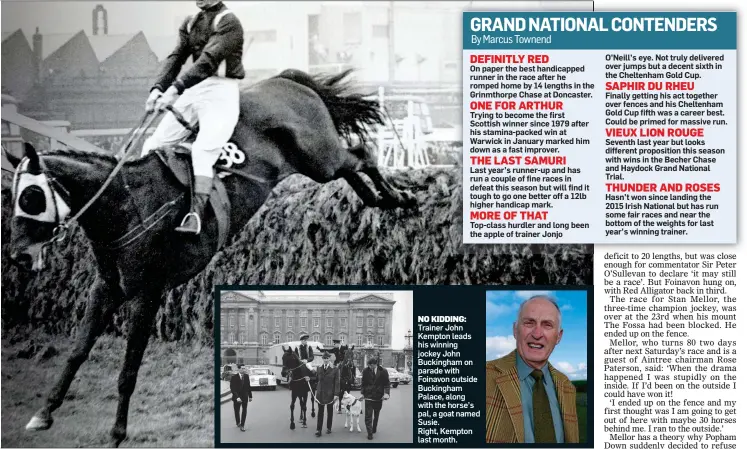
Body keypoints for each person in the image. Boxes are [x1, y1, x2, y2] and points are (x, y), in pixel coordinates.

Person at [141, 0, 245, 235]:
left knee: (202, 151)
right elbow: (176, 58)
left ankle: (196, 216)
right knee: (153, 145)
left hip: (221, 91)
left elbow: (207, 61)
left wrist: (175, 89)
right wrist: (157, 88)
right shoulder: (190, 23)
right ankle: (151, 205)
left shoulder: (228, 21)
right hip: (194, 90)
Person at [485, 295, 579, 444]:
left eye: (547, 325)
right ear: (516, 330)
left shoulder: (567, 386)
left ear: (559, 336)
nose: (537, 334)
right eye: (529, 323)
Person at [360, 357, 390, 440]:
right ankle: (370, 433)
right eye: (369, 365)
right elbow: (363, 383)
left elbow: (387, 383)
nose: (369, 367)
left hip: (378, 397)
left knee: (376, 415)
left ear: (375, 364)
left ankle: (374, 428)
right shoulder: (365, 371)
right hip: (368, 396)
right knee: (368, 416)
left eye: (371, 365)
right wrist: (362, 393)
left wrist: (386, 393)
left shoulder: (383, 371)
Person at [314, 352, 340, 437]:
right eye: (324, 358)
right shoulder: (319, 368)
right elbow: (316, 379)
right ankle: (319, 430)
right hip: (320, 393)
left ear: (330, 359)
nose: (325, 360)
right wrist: (308, 378)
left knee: (330, 411)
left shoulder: (335, 369)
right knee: (320, 412)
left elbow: (337, 382)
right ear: (322, 359)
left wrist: (336, 394)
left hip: (330, 394)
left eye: (327, 358)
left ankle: (329, 428)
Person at [230, 366, 252, 432]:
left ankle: (242, 425)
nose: (244, 369)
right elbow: (232, 388)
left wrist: (250, 396)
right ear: (239, 369)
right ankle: (238, 422)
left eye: (244, 368)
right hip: (237, 397)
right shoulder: (234, 377)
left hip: (245, 397)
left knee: (244, 410)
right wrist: (237, 397)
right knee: (237, 411)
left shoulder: (246, 376)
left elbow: (248, 386)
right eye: (242, 368)